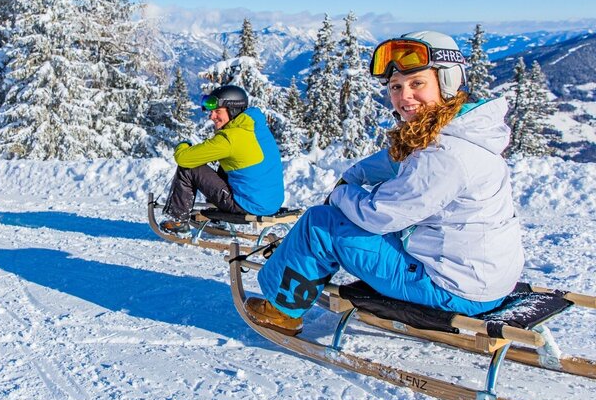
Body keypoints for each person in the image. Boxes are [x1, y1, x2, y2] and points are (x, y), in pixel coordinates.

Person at [244, 30, 525, 336]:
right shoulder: (462, 133)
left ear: (447, 82)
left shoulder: (445, 156)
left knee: (320, 224)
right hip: (482, 280)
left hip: (451, 291)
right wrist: (356, 174)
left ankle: (281, 311)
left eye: (417, 83)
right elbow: (397, 158)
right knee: (341, 222)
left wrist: (341, 193)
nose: (404, 96)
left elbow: (379, 215)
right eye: (396, 87)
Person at [160, 85, 285, 233]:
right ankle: (217, 218)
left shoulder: (229, 138)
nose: (212, 116)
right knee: (226, 164)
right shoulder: (256, 128)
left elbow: (184, 159)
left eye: (217, 111)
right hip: (270, 202)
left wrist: (183, 145)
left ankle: (177, 221)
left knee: (189, 168)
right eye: (212, 112)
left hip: (247, 205)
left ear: (233, 110)